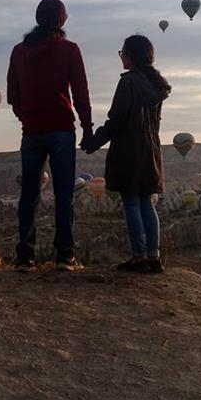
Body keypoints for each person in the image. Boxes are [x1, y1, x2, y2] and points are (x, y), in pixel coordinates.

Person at [7, 0, 93, 272]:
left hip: (31, 131)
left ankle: (24, 257)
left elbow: (12, 94)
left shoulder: (19, 51)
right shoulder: (69, 49)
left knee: (29, 195)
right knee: (64, 194)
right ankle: (65, 255)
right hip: (60, 129)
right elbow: (80, 91)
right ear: (62, 20)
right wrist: (88, 127)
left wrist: (27, 117)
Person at [81, 35, 171, 273]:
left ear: (132, 55)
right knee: (146, 203)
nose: (121, 57)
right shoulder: (156, 85)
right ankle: (154, 257)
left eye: (123, 53)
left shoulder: (129, 82)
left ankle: (138, 257)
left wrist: (94, 141)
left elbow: (117, 120)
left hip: (129, 149)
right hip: (151, 148)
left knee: (131, 201)